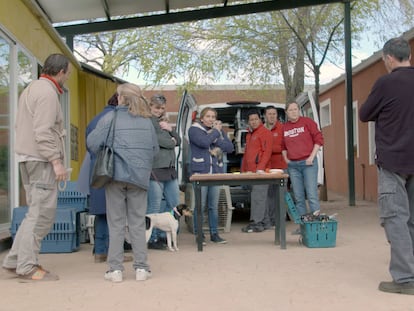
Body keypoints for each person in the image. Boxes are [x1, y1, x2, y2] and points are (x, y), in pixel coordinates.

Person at [2, 53, 72, 281]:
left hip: (29, 157)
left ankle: (15, 261)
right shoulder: (47, 93)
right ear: (61, 72)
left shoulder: (32, 88)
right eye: (68, 73)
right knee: (41, 215)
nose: (68, 77)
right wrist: (56, 161)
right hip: (41, 161)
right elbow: (43, 131)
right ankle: (27, 266)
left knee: (34, 214)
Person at [87, 83, 159, 283]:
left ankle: (115, 270)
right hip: (139, 178)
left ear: (120, 98)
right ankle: (142, 268)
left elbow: (92, 143)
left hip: (115, 177)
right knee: (137, 223)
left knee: (116, 223)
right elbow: (155, 150)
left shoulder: (110, 118)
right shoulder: (147, 122)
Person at [359, 37, 414, 295]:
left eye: (383, 60)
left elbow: (364, 114)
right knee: (411, 219)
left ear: (390, 58)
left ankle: (404, 279)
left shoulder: (386, 83)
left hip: (393, 162)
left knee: (396, 219)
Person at [84, 93, 132, 263]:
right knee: (114, 213)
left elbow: (89, 145)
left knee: (101, 213)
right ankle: (112, 253)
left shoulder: (95, 119)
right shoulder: (118, 119)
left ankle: (99, 251)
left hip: (97, 170)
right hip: (112, 170)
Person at [188, 107, 234, 244]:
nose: (211, 119)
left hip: (215, 173)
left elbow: (230, 147)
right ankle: (199, 235)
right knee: (199, 206)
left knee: (214, 206)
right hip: (200, 173)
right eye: (208, 116)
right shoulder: (194, 130)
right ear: (202, 118)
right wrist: (215, 134)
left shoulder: (218, 131)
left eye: (213, 117)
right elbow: (203, 142)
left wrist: (216, 140)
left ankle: (215, 234)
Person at [281, 102, 324, 234]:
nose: (294, 112)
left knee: (311, 195)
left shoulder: (307, 122)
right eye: (291, 110)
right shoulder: (285, 127)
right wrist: (286, 159)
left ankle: (317, 225)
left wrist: (311, 157)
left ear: (299, 110)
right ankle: (303, 227)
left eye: (296, 109)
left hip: (308, 163)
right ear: (286, 113)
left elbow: (319, 139)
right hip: (293, 166)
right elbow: (282, 146)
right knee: (298, 197)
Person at [146, 94, 181, 250]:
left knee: (172, 203)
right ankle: (152, 238)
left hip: (170, 168)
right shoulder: (147, 121)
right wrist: (171, 140)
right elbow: (163, 142)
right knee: (154, 205)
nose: (159, 111)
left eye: (162, 108)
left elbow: (179, 141)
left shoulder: (164, 122)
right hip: (155, 168)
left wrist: (170, 131)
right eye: (156, 107)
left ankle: (165, 236)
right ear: (150, 106)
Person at [241, 109, 273, 233]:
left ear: (260, 119)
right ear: (248, 122)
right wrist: (244, 170)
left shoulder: (265, 133)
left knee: (258, 198)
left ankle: (256, 223)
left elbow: (267, 153)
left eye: (255, 119)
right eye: (251, 120)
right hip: (251, 172)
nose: (253, 122)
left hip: (260, 172)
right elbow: (247, 154)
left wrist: (260, 168)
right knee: (260, 197)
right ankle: (265, 222)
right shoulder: (250, 134)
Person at [263, 106, 287, 229]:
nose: (272, 116)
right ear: (265, 116)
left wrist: (267, 149)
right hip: (266, 168)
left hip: (280, 167)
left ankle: (280, 221)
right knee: (268, 196)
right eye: (269, 114)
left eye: (274, 114)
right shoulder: (261, 129)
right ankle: (270, 221)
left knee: (280, 195)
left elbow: (284, 147)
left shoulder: (282, 128)